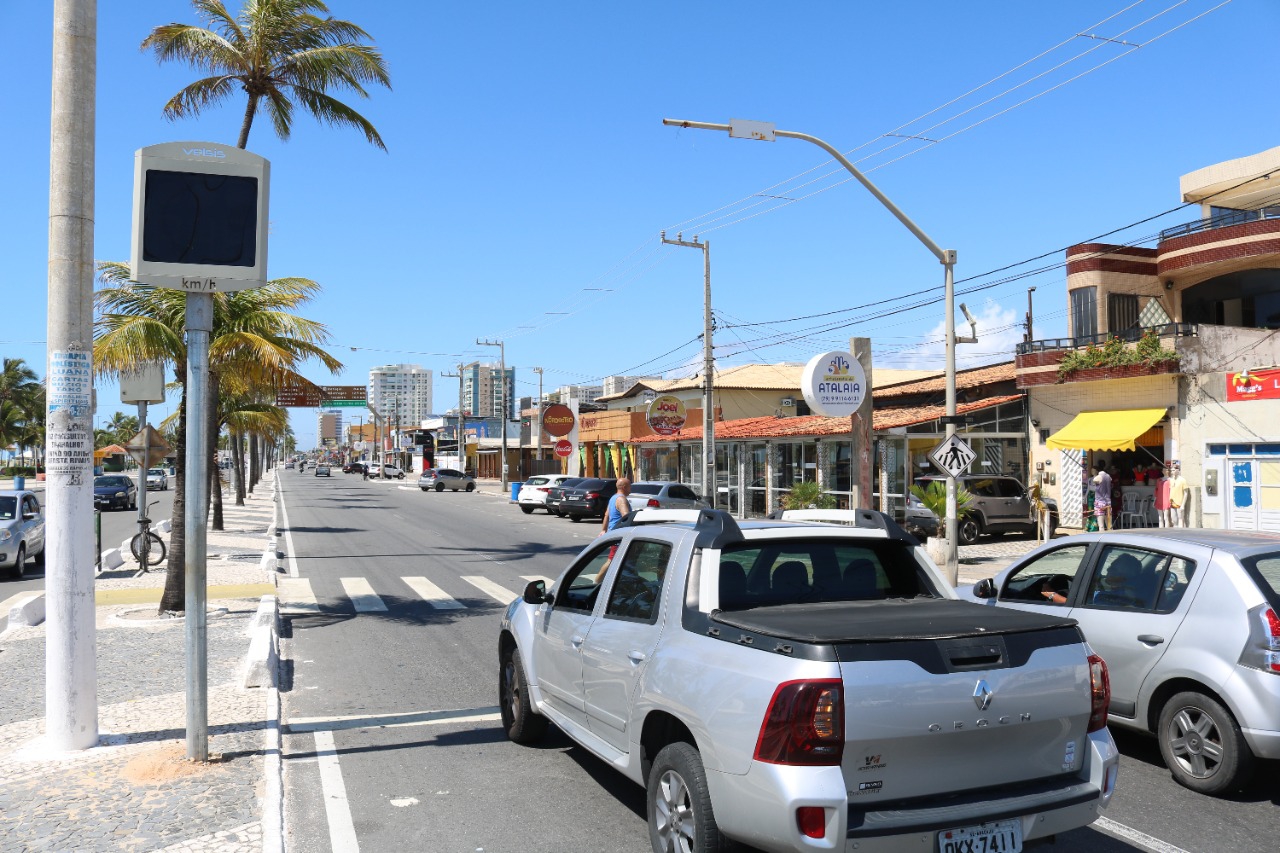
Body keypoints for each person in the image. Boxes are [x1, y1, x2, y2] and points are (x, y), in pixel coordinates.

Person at [1091, 461, 1113, 531]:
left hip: (1099, 502)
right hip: (1108, 502)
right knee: (1109, 525)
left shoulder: (1098, 477)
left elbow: (1094, 480)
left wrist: (1095, 476)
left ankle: (1102, 539)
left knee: (1101, 526)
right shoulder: (1108, 476)